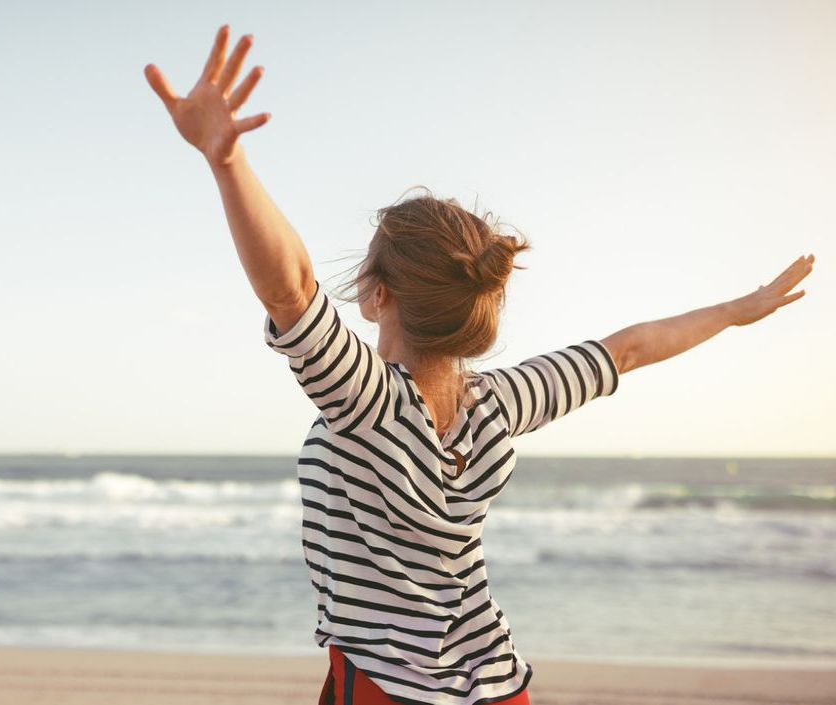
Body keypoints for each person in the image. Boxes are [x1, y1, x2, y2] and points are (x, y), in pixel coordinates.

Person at [144, 24, 815, 705]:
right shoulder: (502, 403)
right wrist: (735, 310)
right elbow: (628, 349)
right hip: (497, 683)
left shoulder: (366, 400)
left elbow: (289, 287)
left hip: (385, 689)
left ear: (379, 298)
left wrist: (228, 166)